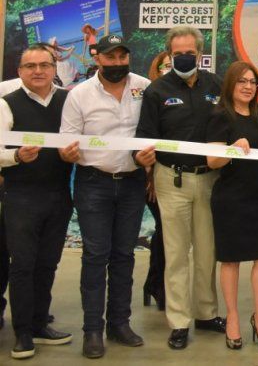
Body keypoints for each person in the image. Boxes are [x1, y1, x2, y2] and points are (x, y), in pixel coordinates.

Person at [60, 34, 157, 358]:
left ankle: (119, 323)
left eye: (121, 57)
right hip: (93, 183)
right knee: (95, 256)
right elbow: (66, 141)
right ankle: (92, 330)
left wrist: (150, 156)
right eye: (110, 57)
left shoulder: (144, 87)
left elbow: (156, 132)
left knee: (124, 256)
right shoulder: (80, 95)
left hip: (132, 183)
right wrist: (68, 153)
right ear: (97, 59)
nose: (117, 63)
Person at [136, 27, 225, 350]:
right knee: (175, 254)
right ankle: (178, 321)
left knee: (207, 251)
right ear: (169, 55)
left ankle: (206, 312)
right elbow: (145, 135)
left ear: (200, 53)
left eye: (190, 52)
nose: (184, 58)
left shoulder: (216, 85)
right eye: (177, 54)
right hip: (170, 179)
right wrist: (145, 166)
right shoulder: (157, 91)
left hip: (210, 179)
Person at [0, 44, 76, 360]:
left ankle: (40, 323)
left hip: (59, 197)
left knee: (47, 264)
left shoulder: (68, 101)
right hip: (21, 198)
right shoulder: (6, 104)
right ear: (19, 72)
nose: (38, 71)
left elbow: (84, 139)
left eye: (44, 65)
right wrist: (15, 156)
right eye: (30, 66)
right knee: (23, 266)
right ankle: (22, 334)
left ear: (54, 68)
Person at [204, 62, 258, 349]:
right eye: (242, 81)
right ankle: (233, 318)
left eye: (252, 81)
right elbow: (211, 162)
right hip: (230, 197)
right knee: (231, 260)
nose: (248, 86)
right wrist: (232, 148)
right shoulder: (219, 116)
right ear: (231, 84)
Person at [141, 50, 172, 314]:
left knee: (165, 231)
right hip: (150, 176)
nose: (170, 69)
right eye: (166, 66)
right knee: (164, 230)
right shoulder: (151, 94)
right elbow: (146, 137)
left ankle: (154, 282)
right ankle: (157, 284)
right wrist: (149, 175)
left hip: (173, 175)